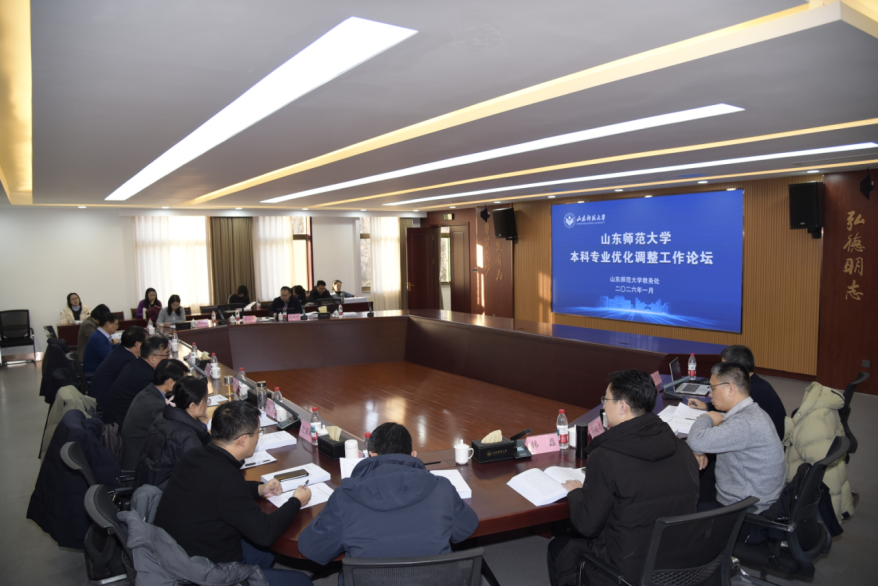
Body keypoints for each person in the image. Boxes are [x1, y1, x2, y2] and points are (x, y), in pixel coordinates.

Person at [546, 370, 700, 586]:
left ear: (622, 407)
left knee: (558, 548)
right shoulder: (683, 448)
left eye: (606, 399)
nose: (603, 405)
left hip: (625, 572)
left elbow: (586, 526)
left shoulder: (605, 457)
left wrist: (576, 492)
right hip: (677, 562)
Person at [154, 401, 314, 586]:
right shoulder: (228, 479)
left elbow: (216, 488)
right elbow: (266, 533)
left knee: (265, 554)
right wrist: (296, 501)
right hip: (205, 572)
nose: (258, 438)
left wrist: (259, 489)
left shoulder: (194, 456)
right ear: (243, 440)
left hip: (175, 552)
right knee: (302, 581)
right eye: (258, 433)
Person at [299, 422, 479, 584]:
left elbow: (312, 547)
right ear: (413, 455)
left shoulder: (344, 497)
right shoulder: (442, 488)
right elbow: (466, 528)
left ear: (371, 455)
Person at [687, 362, 786, 513]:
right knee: (701, 477)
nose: (710, 394)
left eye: (713, 388)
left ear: (731, 389)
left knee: (684, 495)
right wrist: (701, 448)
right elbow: (703, 442)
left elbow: (695, 440)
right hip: (757, 492)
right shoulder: (754, 412)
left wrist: (708, 417)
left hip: (743, 506)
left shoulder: (744, 424)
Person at [687, 345, 786, 440]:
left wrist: (707, 419)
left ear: (736, 369)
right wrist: (706, 406)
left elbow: (699, 440)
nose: (721, 370)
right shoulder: (754, 383)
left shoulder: (752, 391)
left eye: (724, 366)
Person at [134, 376, 210, 490]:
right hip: (164, 495)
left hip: (148, 486)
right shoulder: (186, 437)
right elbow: (200, 475)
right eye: (205, 401)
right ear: (192, 406)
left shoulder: (164, 417)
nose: (207, 404)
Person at [120, 359, 189, 470]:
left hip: (140, 455)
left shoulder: (149, 392)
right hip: (139, 465)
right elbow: (175, 435)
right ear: (170, 382)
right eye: (183, 383)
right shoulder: (156, 405)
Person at [103, 336, 171, 427]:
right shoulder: (146, 376)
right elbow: (161, 404)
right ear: (152, 358)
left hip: (117, 419)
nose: (169, 359)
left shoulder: (136, 363)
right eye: (166, 355)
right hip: (121, 426)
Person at [89, 326, 148, 409]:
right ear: (138, 344)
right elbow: (137, 385)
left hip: (103, 396)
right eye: (146, 341)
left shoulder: (121, 350)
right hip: (104, 403)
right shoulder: (127, 360)